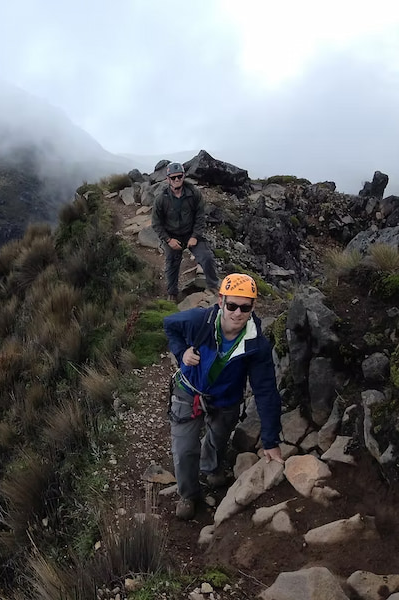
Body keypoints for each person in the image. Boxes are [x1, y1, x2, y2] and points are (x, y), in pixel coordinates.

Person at [163, 273, 283, 520]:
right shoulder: (199, 321)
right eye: (232, 306)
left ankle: (211, 467)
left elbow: (265, 391)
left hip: (226, 398)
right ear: (221, 302)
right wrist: (181, 351)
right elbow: (170, 324)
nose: (237, 313)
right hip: (189, 391)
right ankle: (188, 494)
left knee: (218, 438)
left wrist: (270, 441)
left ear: (253, 307)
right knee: (184, 450)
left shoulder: (256, 345)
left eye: (245, 307)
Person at [151, 162, 219, 302]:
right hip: (172, 235)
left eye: (179, 176)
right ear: (168, 179)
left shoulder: (194, 193)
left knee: (206, 257)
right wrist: (168, 240)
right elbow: (156, 223)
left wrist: (195, 236)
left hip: (190, 233)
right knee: (172, 263)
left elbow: (200, 217)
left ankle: (213, 285)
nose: (177, 180)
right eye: (173, 177)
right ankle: (172, 293)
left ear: (184, 176)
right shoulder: (161, 198)